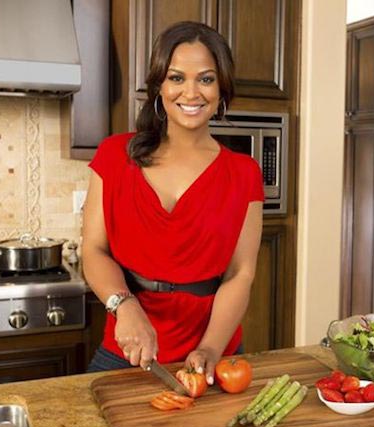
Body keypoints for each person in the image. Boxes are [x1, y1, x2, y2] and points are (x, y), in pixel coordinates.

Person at [83, 21, 264, 386]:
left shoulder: (244, 173)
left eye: (206, 79)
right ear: (159, 86)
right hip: (126, 348)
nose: (191, 92)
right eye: (177, 77)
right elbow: (94, 249)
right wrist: (125, 306)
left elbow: (240, 274)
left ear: (221, 89)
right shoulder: (114, 155)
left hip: (214, 355)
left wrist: (212, 349)